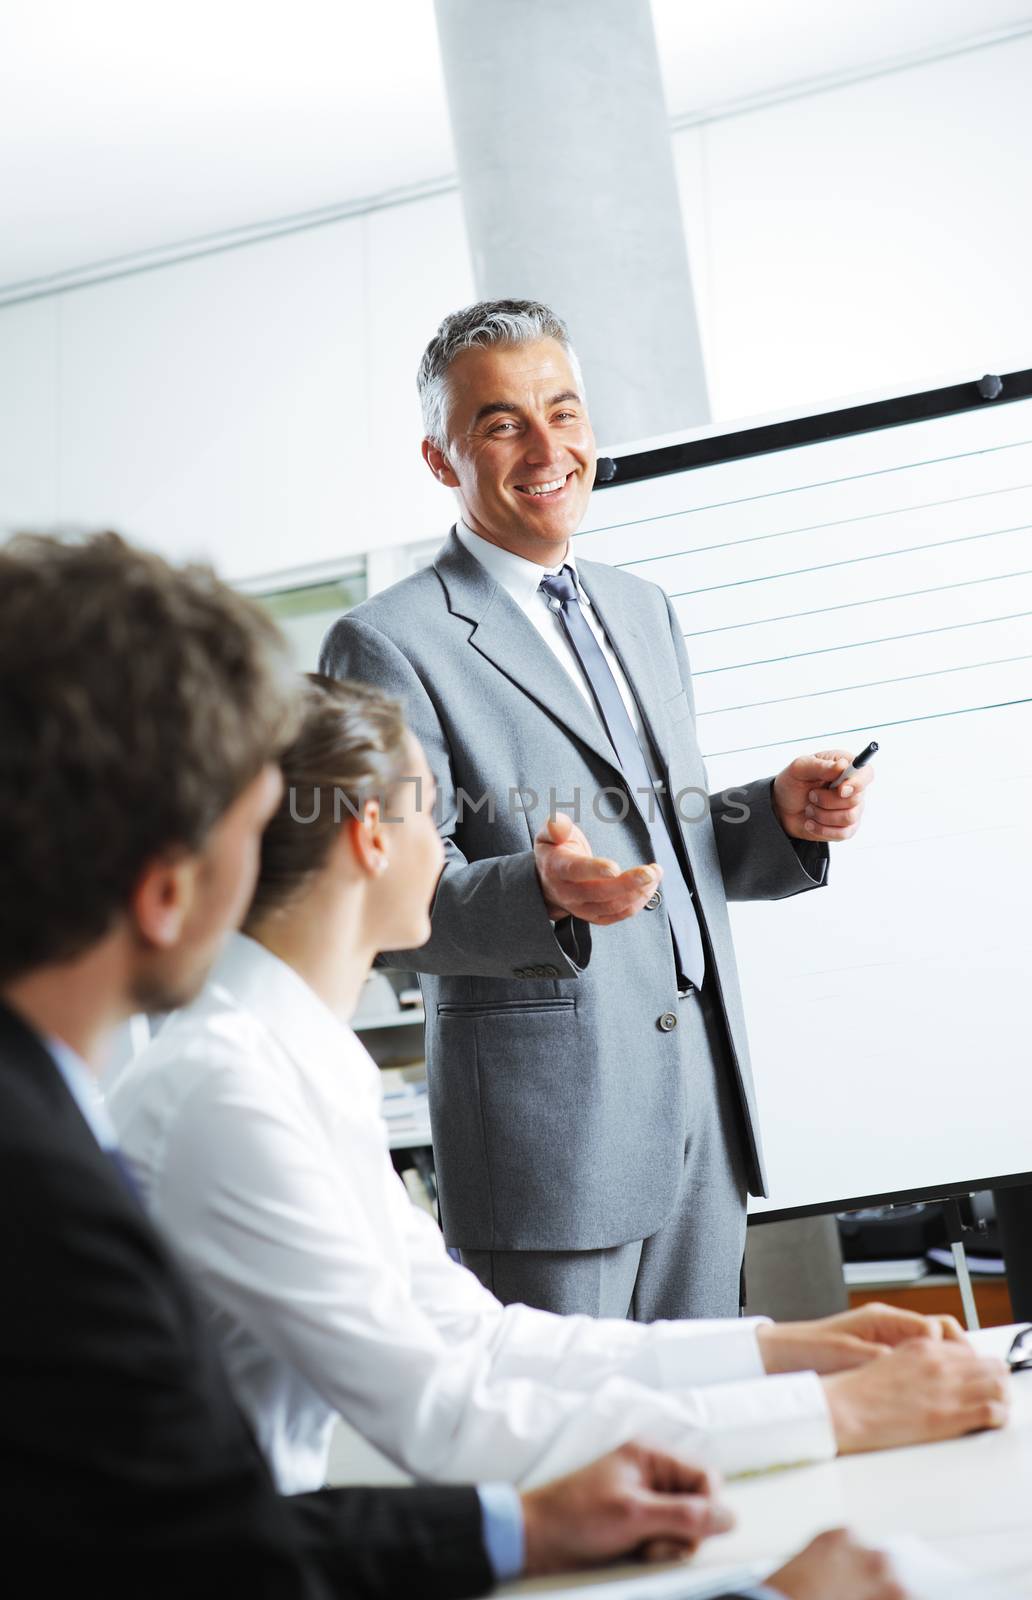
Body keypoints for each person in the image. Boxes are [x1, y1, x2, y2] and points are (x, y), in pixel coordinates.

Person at [0, 529, 794, 1600]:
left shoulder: (250, 1074)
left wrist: (792, 1363)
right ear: (165, 879)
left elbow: (461, 1349)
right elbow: (244, 1522)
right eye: (241, 824)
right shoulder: (169, 1111)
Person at [108, 674, 1009, 1509]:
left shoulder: (292, 1061)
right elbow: (448, 1419)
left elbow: (486, 1342)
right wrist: (845, 1418)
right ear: (372, 838)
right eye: (437, 810)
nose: (451, 843)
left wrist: (796, 1352)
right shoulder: (227, 1094)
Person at [319, 298, 876, 1322]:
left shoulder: (640, 607)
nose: (548, 447)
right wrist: (540, 893)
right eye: (501, 423)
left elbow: (664, 840)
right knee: (575, 1456)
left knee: (700, 1440)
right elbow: (387, 905)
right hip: (550, 1141)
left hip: (699, 1112)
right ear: (443, 460)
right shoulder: (386, 642)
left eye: (564, 412)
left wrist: (777, 817)